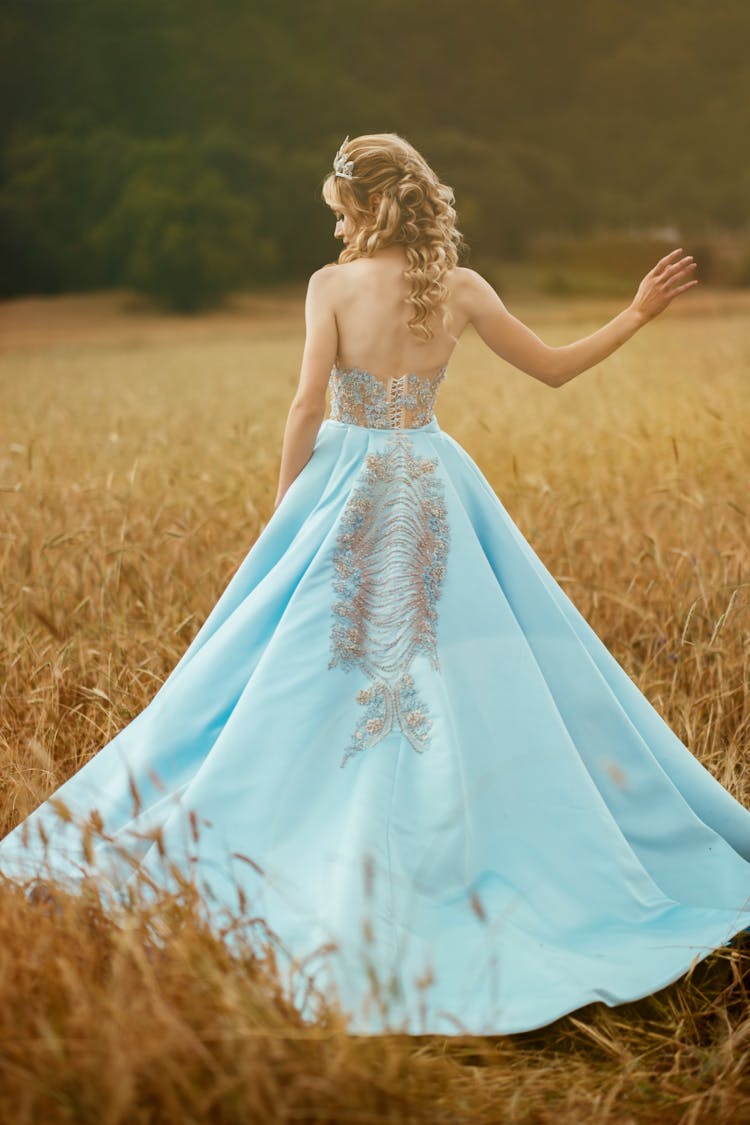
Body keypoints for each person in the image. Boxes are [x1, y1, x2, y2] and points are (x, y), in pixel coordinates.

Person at [1, 132, 749, 1037]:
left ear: (364, 207)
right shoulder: (461, 289)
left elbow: (307, 406)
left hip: (344, 483)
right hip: (434, 485)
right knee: (460, 668)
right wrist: (635, 314)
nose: (337, 223)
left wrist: (286, 513)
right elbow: (553, 369)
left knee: (295, 666)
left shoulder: (331, 286)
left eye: (339, 208)